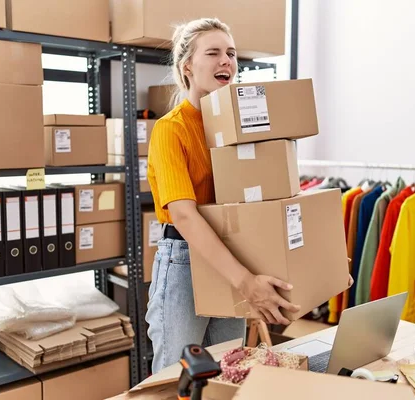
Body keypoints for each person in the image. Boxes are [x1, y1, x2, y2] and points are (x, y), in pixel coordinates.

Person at [145, 18, 351, 374]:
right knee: (177, 377)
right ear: (187, 67)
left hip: (235, 255)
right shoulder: (171, 129)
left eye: (231, 53)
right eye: (213, 52)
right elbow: (184, 215)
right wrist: (245, 281)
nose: (226, 60)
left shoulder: (241, 129)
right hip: (185, 262)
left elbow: (274, 205)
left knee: (228, 372)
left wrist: (322, 263)